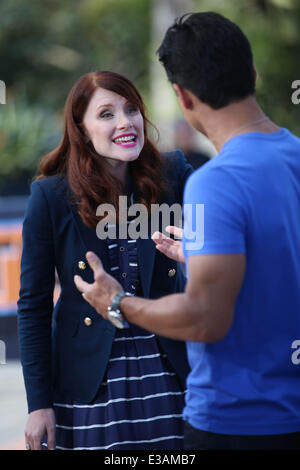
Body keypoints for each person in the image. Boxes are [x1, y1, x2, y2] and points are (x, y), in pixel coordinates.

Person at [74, 13, 300, 450]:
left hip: (237, 422)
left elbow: (205, 318)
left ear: (182, 96)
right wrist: (201, 256)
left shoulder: (215, 181)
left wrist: (118, 302)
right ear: (252, 73)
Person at [17, 70, 193, 450]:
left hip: (170, 370)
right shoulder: (50, 196)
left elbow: (223, 236)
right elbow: (32, 306)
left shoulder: (173, 175)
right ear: (81, 129)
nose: (125, 122)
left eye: (131, 109)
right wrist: (38, 404)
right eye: (106, 113)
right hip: (88, 382)